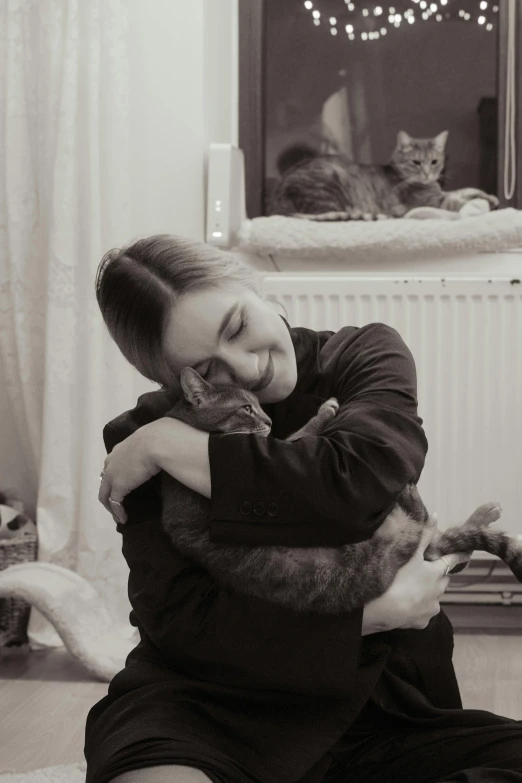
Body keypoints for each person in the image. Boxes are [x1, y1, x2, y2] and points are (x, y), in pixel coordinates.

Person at [85, 235, 522, 783]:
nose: (245, 368)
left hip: (386, 706)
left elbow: (352, 484)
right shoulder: (133, 435)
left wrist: (172, 448)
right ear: (177, 384)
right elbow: (182, 622)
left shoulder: (364, 356)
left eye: (239, 327)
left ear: (252, 285)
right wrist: (366, 618)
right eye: (206, 369)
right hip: (207, 701)